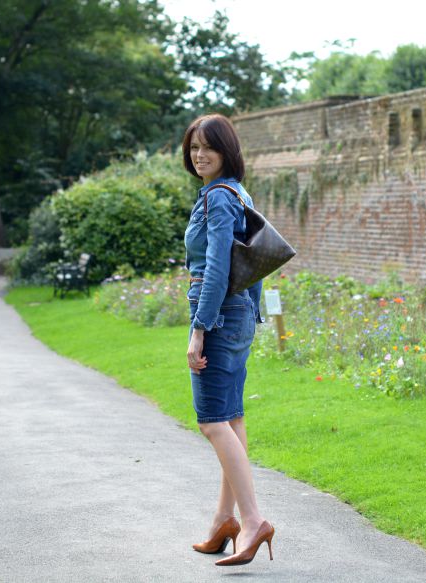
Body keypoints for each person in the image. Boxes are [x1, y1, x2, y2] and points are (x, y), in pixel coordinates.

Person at [182, 113, 275, 567]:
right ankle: (224, 520)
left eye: (208, 147)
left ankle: (253, 520)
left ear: (226, 151)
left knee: (212, 422)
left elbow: (218, 268)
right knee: (231, 419)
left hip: (218, 314)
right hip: (238, 314)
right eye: (193, 147)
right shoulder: (237, 192)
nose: (199, 155)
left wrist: (199, 328)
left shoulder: (218, 198)